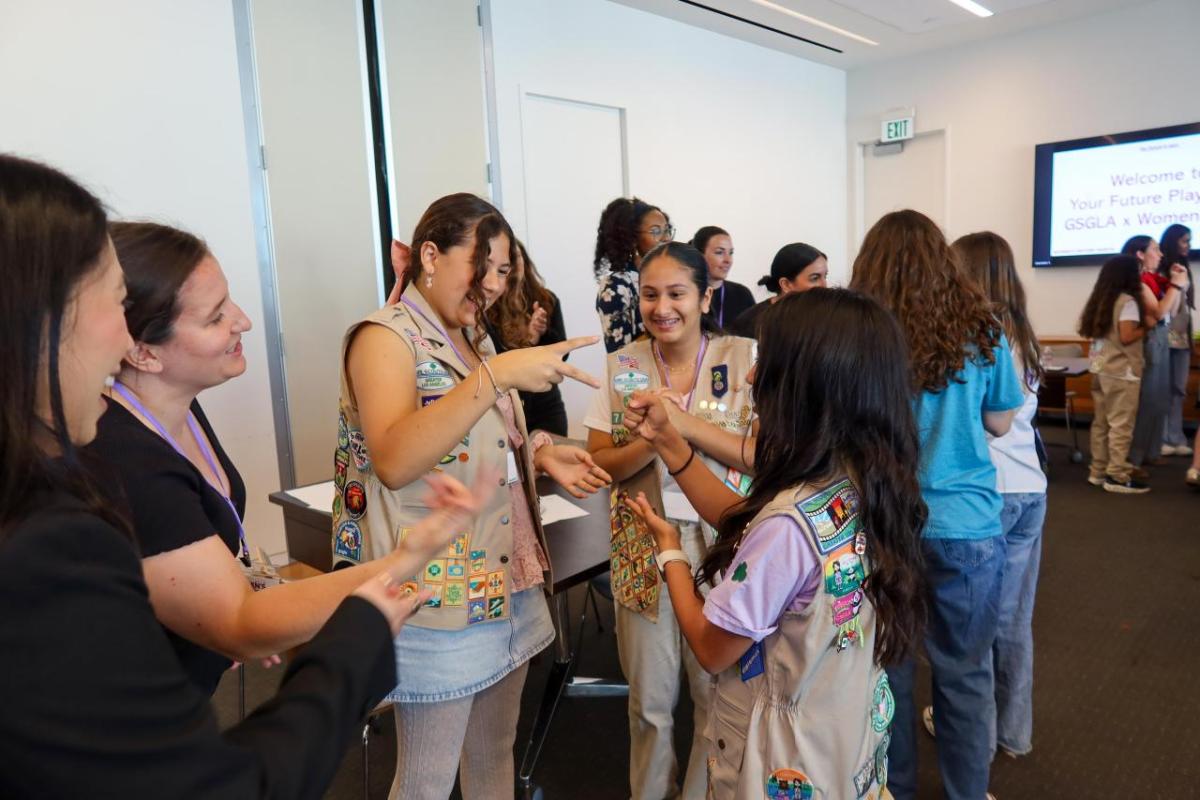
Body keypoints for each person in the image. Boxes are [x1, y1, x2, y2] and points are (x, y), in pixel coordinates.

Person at [0, 153, 489, 798]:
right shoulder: (69, 525)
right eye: (114, 304)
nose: (243, 321)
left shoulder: (163, 421)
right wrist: (361, 623)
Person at [84, 221, 467, 696]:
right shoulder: (129, 462)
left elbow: (221, 565)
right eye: (215, 317)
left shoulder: (178, 406)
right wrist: (406, 560)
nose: (242, 321)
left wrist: (254, 602)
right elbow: (240, 623)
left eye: (231, 302)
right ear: (143, 352)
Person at [335, 192, 611, 800]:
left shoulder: (471, 337)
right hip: (436, 593)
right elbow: (396, 457)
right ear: (429, 256)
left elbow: (474, 434)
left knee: (493, 756)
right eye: (479, 265)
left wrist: (538, 448)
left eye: (503, 269)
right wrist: (499, 375)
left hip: (503, 575)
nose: (490, 284)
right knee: (427, 780)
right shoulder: (385, 337)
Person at [622, 288, 927, 800]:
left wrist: (671, 553)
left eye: (765, 363)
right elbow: (754, 533)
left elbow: (712, 646)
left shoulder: (787, 525)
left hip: (780, 763)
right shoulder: (859, 482)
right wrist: (673, 447)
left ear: (806, 384)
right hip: (842, 741)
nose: (748, 377)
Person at [849, 209, 1024, 800]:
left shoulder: (863, 335)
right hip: (968, 524)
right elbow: (1000, 422)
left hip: (885, 522)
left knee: (889, 673)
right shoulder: (983, 329)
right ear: (944, 261)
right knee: (966, 675)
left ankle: (891, 790)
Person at [585, 241, 756, 800]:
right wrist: (648, 440)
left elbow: (760, 454)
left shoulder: (744, 357)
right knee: (650, 704)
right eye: (650, 295)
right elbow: (601, 463)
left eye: (677, 293)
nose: (663, 308)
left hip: (723, 546)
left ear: (705, 297)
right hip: (644, 544)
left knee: (718, 697)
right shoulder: (623, 365)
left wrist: (677, 425)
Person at [953, 232, 1046, 758]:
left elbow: (986, 422)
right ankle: (1013, 731)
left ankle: (977, 736)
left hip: (989, 489)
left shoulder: (975, 336)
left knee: (978, 623)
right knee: (1014, 618)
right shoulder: (1024, 332)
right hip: (1032, 485)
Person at [1079, 256, 1152, 493]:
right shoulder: (1128, 302)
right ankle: (1117, 475)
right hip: (1123, 372)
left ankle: (1098, 471)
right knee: (1121, 424)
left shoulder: (1101, 299)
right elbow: (1127, 335)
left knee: (1101, 423)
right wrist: (1149, 325)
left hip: (1101, 368)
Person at [485, 239, 569, 435]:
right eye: (504, 264)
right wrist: (529, 340)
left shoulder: (546, 300)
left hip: (546, 405)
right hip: (505, 408)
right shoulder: (486, 305)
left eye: (515, 259)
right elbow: (493, 362)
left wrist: (542, 333)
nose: (511, 267)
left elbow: (562, 357)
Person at [1123, 235, 1188, 473]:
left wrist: (1176, 283)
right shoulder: (1138, 280)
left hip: (1161, 337)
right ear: (1140, 254)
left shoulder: (1154, 279)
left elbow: (1172, 307)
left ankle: (1151, 451)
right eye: (1155, 249)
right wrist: (1176, 285)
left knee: (1160, 397)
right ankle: (1134, 458)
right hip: (1149, 340)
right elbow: (1159, 312)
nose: (1160, 255)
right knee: (1148, 398)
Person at [594, 197, 673, 353]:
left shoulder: (669, 277)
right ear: (632, 239)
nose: (666, 238)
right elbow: (620, 356)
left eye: (667, 230)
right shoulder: (615, 286)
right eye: (656, 231)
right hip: (638, 375)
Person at [729, 242, 827, 339]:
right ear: (786, 284)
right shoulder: (751, 323)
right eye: (814, 278)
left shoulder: (825, 316)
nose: (824, 285)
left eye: (825, 276)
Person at [1158, 224, 1193, 456]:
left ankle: (1176, 435)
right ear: (1173, 242)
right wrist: (1175, 282)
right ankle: (1162, 438)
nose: (1188, 246)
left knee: (1179, 388)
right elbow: (1165, 308)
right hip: (1164, 336)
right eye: (1184, 241)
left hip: (1182, 336)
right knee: (1163, 388)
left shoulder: (1185, 268)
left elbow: (1186, 307)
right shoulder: (1161, 271)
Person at [691, 226, 754, 330]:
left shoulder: (742, 295)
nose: (728, 260)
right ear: (699, 255)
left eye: (731, 253)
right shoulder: (686, 294)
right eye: (719, 252)